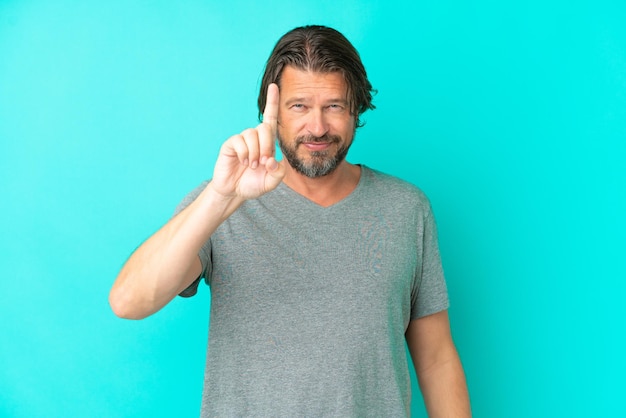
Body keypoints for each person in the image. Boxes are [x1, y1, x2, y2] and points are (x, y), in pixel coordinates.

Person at [110, 25, 471, 417]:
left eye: (333, 106)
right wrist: (218, 199)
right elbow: (129, 301)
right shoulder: (222, 201)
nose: (317, 128)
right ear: (274, 112)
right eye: (299, 106)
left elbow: (436, 357)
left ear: (356, 109)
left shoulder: (406, 208)